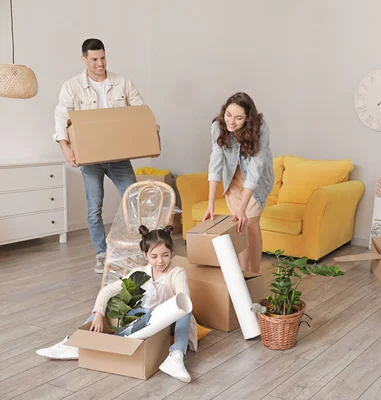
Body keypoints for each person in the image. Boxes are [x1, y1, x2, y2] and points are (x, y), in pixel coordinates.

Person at [36, 225, 197, 383]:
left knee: (185, 311)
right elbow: (106, 292)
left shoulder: (176, 273)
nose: (160, 261)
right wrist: (98, 315)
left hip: (166, 321)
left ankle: (176, 357)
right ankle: (73, 343)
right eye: (154, 256)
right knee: (108, 306)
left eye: (165, 255)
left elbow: (184, 299)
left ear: (171, 253)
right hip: (142, 318)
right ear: (145, 254)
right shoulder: (139, 273)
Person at [53, 38, 156, 273]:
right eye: (94, 59)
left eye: (103, 58)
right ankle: (101, 253)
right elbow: (61, 117)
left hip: (119, 157)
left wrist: (148, 136)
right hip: (90, 159)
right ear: (84, 59)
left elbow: (140, 112)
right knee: (93, 208)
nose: (100, 63)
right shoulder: (71, 86)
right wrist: (66, 148)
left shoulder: (122, 82)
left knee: (134, 202)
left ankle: (140, 248)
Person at [204, 92, 274, 274]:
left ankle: (255, 274)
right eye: (228, 115)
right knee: (240, 226)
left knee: (251, 223)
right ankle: (244, 275)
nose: (231, 122)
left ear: (248, 119)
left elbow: (255, 169)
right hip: (233, 179)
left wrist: (242, 207)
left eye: (238, 118)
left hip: (255, 182)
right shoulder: (217, 126)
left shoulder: (260, 129)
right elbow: (216, 163)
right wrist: (210, 202)